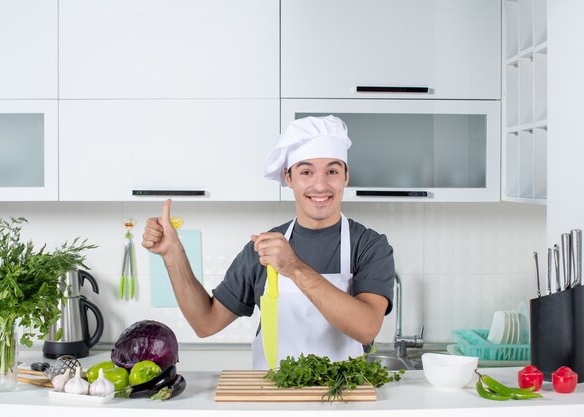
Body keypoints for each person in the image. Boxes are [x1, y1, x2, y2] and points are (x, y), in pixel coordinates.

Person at [142, 115, 395, 369]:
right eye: (306, 171)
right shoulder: (263, 249)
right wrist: (172, 255)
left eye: (332, 171)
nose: (320, 185)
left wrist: (293, 267)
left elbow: (366, 329)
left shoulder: (370, 246)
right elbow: (205, 323)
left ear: (346, 176)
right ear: (289, 177)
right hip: (272, 398)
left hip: (342, 402)